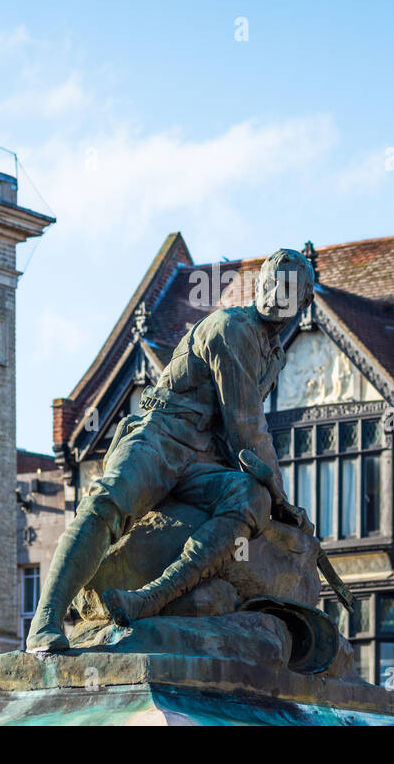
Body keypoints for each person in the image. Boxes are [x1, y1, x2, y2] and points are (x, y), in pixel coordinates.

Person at [24, 248, 316, 652]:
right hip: (162, 435)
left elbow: (240, 442)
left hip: (204, 459)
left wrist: (274, 500)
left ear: (304, 302)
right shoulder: (230, 327)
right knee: (107, 503)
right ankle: (46, 620)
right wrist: (284, 499)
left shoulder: (275, 354)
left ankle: (151, 598)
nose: (275, 293)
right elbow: (246, 427)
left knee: (250, 497)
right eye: (270, 282)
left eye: (288, 288)